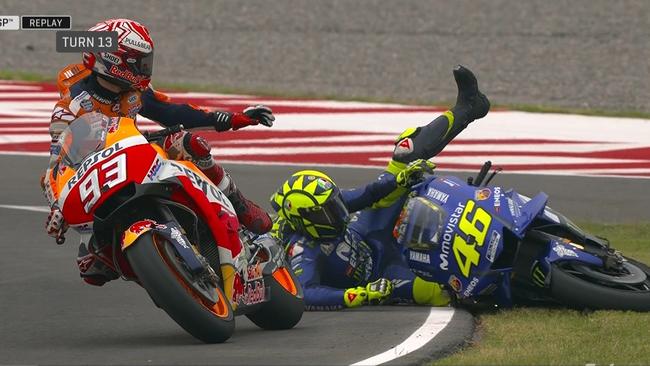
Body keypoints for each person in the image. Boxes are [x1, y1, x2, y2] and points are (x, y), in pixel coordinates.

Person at [43, 18, 274, 286]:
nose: (144, 68)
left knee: (190, 143)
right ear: (115, 61)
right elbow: (56, 163)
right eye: (138, 62)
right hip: (97, 171)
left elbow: (172, 112)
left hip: (136, 149)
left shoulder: (134, 91)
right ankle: (155, 268)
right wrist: (57, 206)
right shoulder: (70, 106)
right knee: (92, 268)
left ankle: (239, 204)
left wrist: (232, 119)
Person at [269, 65, 490, 309]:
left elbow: (370, 193)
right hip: (380, 274)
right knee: (441, 293)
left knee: (406, 152)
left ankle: (469, 107)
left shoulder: (330, 205)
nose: (337, 209)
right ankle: (505, 288)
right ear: (305, 221)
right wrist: (357, 295)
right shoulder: (304, 250)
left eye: (334, 201)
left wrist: (400, 179)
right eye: (328, 209)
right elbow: (306, 294)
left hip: (367, 231)